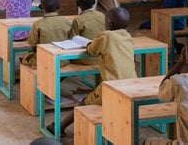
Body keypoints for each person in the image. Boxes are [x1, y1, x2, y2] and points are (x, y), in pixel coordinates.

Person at [51, 7, 136, 136]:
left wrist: (90, 44)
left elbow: (92, 50)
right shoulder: (128, 36)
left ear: (109, 24)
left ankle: (60, 126)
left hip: (111, 86)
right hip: (131, 83)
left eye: (106, 20)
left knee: (85, 102)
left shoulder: (106, 35)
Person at [22, 0, 69, 68]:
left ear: (41, 7)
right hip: (63, 60)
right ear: (59, 6)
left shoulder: (38, 24)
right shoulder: (66, 22)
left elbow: (33, 45)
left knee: (26, 58)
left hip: (44, 61)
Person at [68, 0, 106, 65]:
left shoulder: (78, 20)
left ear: (77, 4)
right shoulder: (102, 16)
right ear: (94, 1)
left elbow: (73, 40)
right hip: (102, 56)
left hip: (84, 58)